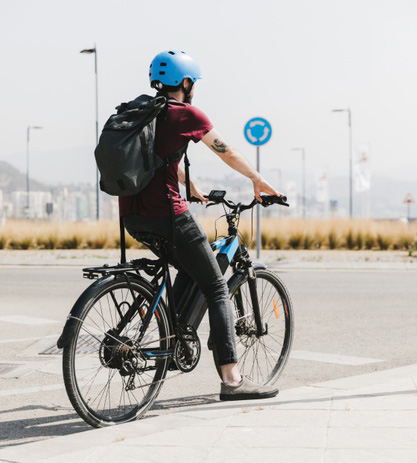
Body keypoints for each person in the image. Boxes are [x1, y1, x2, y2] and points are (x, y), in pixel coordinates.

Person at [119, 50, 281, 401]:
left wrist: (189, 186)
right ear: (188, 83)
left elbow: (157, 158)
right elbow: (224, 150)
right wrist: (256, 179)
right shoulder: (184, 113)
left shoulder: (145, 113)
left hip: (132, 216)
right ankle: (233, 379)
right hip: (168, 215)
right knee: (218, 287)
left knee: (192, 266)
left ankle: (173, 332)